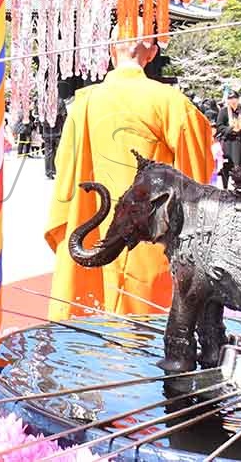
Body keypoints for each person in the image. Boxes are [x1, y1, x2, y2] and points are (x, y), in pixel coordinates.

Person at [45, 32, 215, 320]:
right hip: (147, 237)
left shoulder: (84, 103)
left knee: (91, 322)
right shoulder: (170, 102)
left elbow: (65, 175)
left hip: (91, 229)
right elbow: (196, 174)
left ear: (112, 50)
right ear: (151, 53)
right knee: (145, 326)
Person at [215, 91, 241, 189]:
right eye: (230, 99)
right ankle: (225, 187)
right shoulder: (223, 111)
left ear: (238, 99)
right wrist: (231, 129)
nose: (233, 101)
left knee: (239, 166)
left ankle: (238, 187)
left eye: (234, 98)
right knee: (227, 166)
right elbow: (219, 126)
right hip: (228, 143)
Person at [43, 98, 69, 179]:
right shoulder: (60, 101)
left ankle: (49, 171)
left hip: (47, 130)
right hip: (57, 130)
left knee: (49, 151)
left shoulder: (43, 100)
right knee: (58, 150)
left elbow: (38, 115)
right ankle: (56, 169)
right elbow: (64, 115)